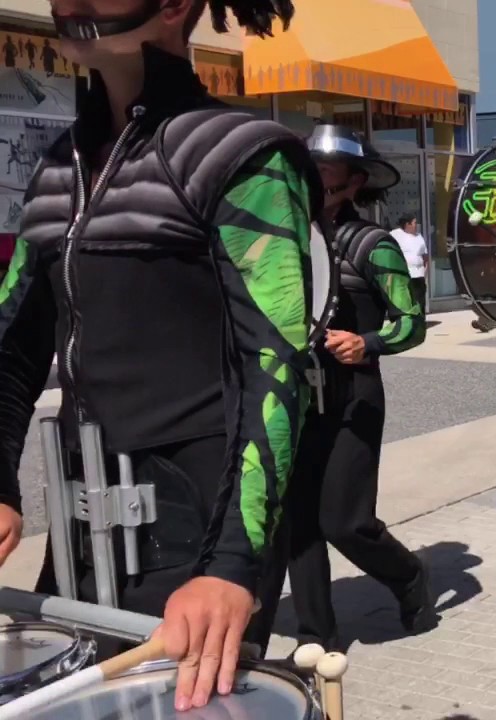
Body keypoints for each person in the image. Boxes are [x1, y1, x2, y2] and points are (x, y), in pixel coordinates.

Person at [0, 0, 316, 711]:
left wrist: (234, 565)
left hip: (197, 538)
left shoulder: (242, 153)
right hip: (81, 536)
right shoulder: (60, 167)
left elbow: (278, 368)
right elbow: (12, 350)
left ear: (175, 6)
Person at [286, 125, 433, 651]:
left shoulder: (373, 244)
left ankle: (408, 575)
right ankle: (316, 639)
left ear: (353, 182)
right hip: (296, 395)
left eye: (324, 173)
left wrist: (367, 341)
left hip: (354, 396)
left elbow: (412, 321)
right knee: (297, 525)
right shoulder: (281, 241)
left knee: (345, 523)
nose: (312, 181)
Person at [389, 214, 429, 315]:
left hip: (419, 275)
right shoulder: (396, 235)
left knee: (420, 300)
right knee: (407, 301)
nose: (417, 225)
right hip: (405, 275)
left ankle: (420, 321)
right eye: (415, 223)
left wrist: (425, 271)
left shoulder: (419, 237)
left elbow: (425, 256)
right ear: (408, 224)